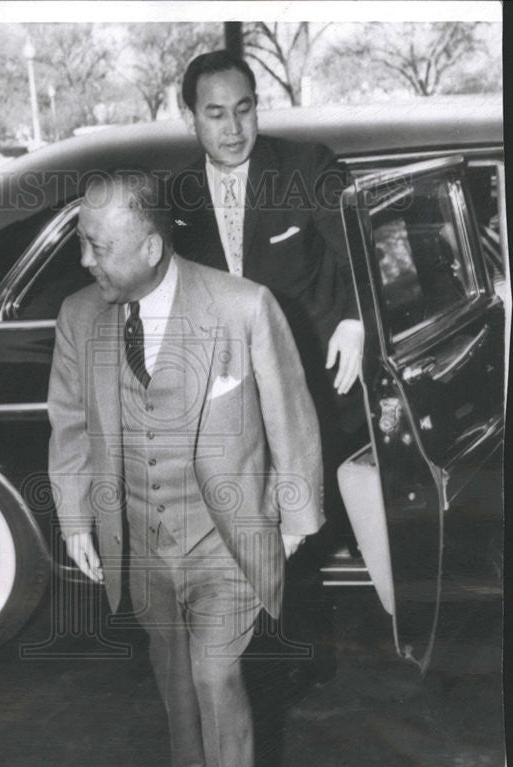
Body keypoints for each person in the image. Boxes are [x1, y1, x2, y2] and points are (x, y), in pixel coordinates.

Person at [47, 172, 323, 767]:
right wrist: (77, 519)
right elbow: (70, 426)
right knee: (166, 657)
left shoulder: (241, 306)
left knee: (215, 678)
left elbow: (291, 415)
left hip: (222, 540)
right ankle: (186, 765)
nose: (85, 260)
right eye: (83, 242)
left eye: (97, 246)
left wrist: (293, 516)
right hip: (134, 536)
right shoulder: (80, 318)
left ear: (149, 244)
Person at [170, 48, 366, 679]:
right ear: (191, 118)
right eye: (216, 114)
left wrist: (356, 320)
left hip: (308, 381)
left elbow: (359, 251)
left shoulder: (307, 167)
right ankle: (262, 657)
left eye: (245, 110)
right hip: (223, 393)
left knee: (300, 518)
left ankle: (303, 660)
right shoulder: (175, 196)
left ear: (259, 107)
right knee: (243, 523)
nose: (233, 129)